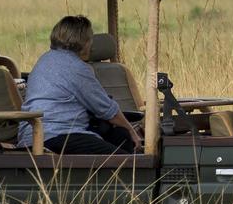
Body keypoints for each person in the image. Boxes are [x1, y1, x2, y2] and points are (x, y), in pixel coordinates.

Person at [16, 15, 140, 155]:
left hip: (31, 136)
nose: (91, 45)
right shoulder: (77, 68)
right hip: (58, 136)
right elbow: (106, 109)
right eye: (89, 40)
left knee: (118, 136)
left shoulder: (45, 59)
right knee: (126, 162)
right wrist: (131, 131)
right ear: (83, 42)